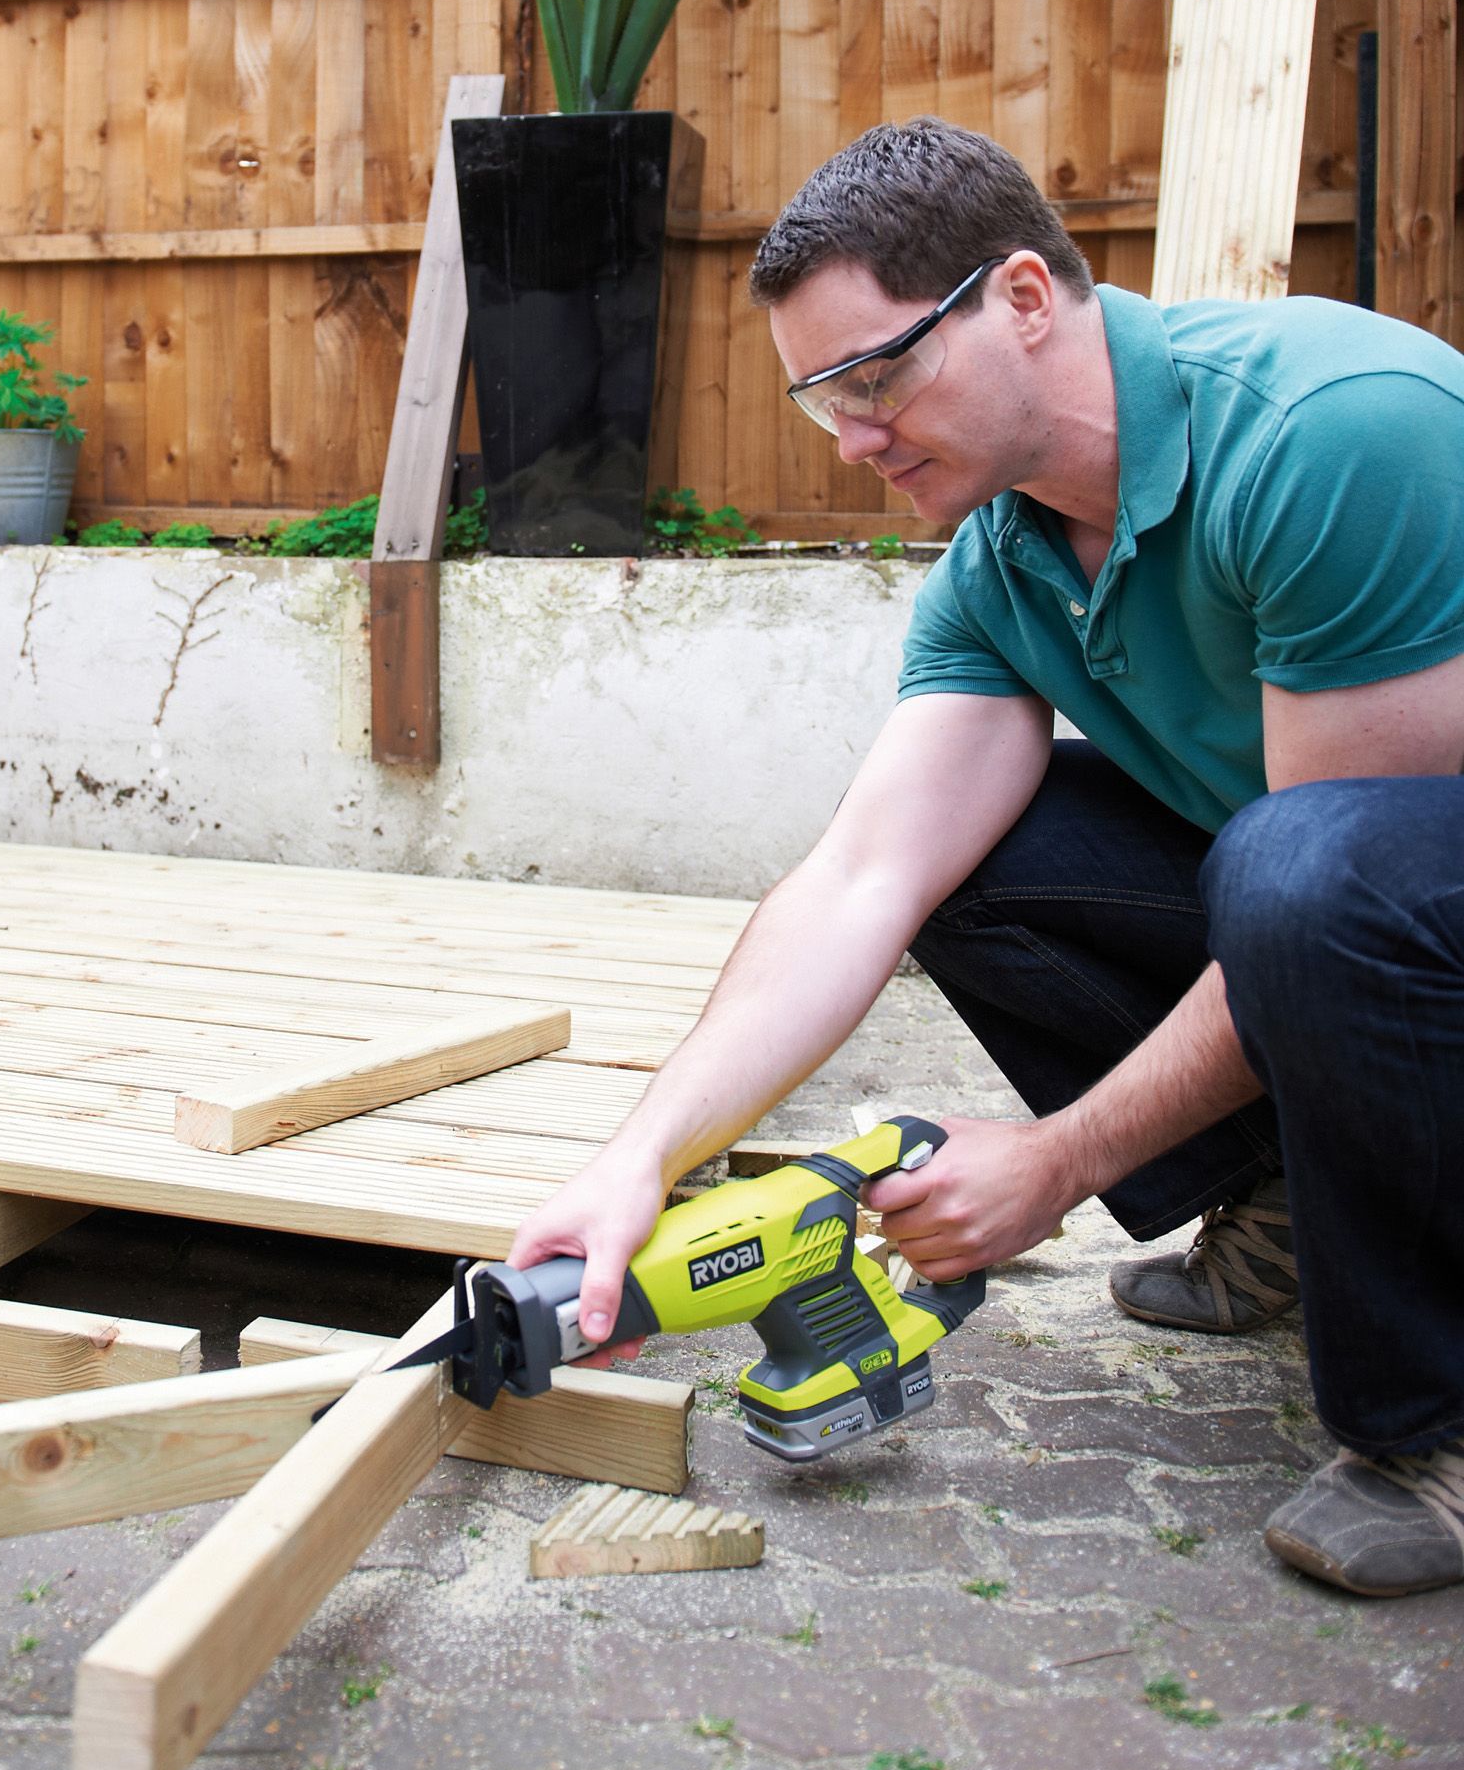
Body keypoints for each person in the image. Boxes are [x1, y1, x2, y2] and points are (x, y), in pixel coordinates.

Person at [507, 118, 1464, 1598]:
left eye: (876, 377)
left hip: (1398, 883)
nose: (858, 439)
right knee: (982, 863)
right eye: (822, 404)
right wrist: (639, 1163)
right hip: (1359, 893)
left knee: (1296, 868)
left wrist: (1061, 1161)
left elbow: (1353, 869)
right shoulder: (1002, 563)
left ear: (1022, 298)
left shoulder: (1331, 432)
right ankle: (1296, 1191)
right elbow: (861, 881)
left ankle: (1433, 1427)